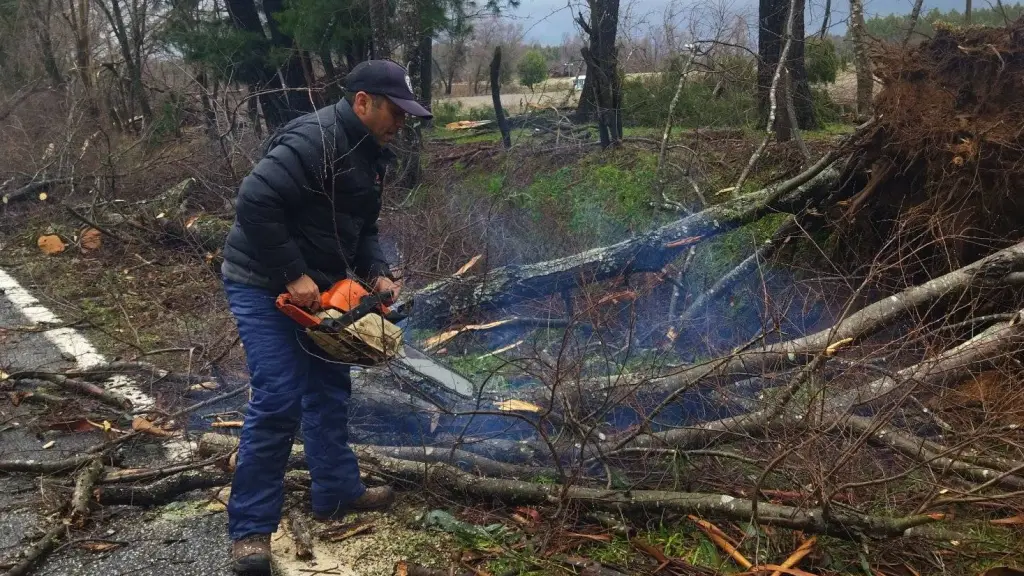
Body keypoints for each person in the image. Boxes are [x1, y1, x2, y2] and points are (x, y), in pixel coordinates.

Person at [219, 60, 432, 575]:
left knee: (330, 391)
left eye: (405, 115)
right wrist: (292, 273)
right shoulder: (313, 140)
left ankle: (336, 492)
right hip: (261, 283)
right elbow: (254, 202)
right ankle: (250, 531)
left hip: (323, 295)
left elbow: (363, 228)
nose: (399, 123)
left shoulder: (371, 154)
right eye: (393, 112)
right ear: (362, 102)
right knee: (278, 398)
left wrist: (376, 272)